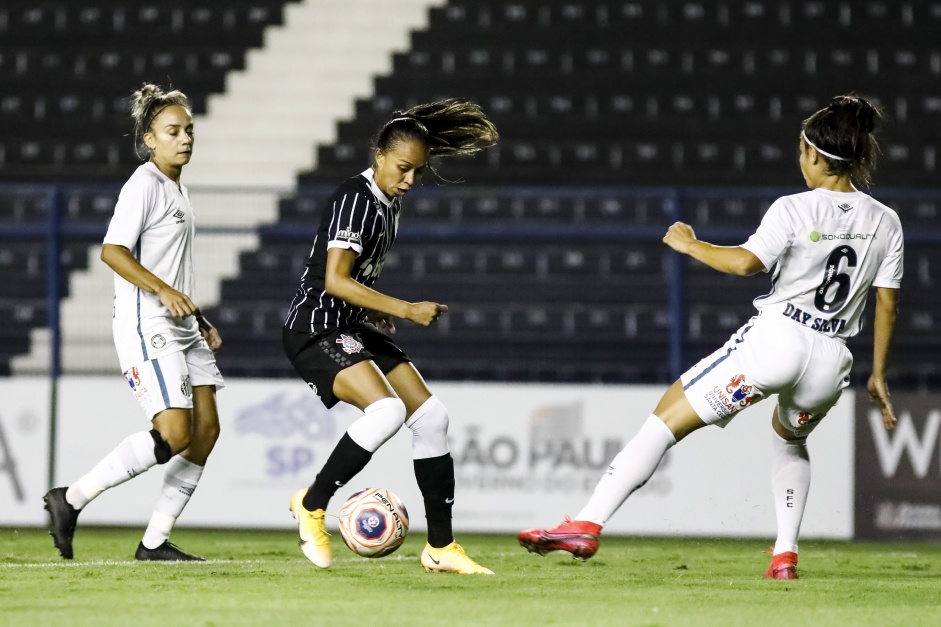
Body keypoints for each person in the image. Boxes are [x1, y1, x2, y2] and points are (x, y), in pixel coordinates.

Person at [519, 94, 902, 579]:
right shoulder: (886, 221)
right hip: (831, 361)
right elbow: (888, 303)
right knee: (790, 441)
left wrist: (689, 243)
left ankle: (587, 524)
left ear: (814, 154)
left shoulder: (794, 208)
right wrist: (879, 374)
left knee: (662, 423)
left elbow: (745, 263)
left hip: (775, 343)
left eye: (800, 151)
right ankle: (785, 555)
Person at [283, 99, 499, 574]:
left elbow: (353, 282)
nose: (409, 180)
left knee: (432, 418)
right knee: (386, 411)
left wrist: (371, 309)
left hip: (349, 324)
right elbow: (335, 282)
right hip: (316, 327)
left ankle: (439, 548)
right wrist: (405, 309)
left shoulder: (388, 203)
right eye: (403, 168)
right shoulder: (355, 197)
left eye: (417, 172)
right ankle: (313, 504)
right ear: (378, 154)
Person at [43, 84, 225, 561]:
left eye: (188, 130)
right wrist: (163, 291)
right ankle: (72, 499)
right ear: (149, 138)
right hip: (148, 323)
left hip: (182, 326)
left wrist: (198, 316)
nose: (184, 138)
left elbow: (168, 263)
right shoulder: (143, 184)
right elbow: (112, 251)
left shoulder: (177, 189)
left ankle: (154, 542)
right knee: (176, 433)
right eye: (172, 131)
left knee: (205, 432)